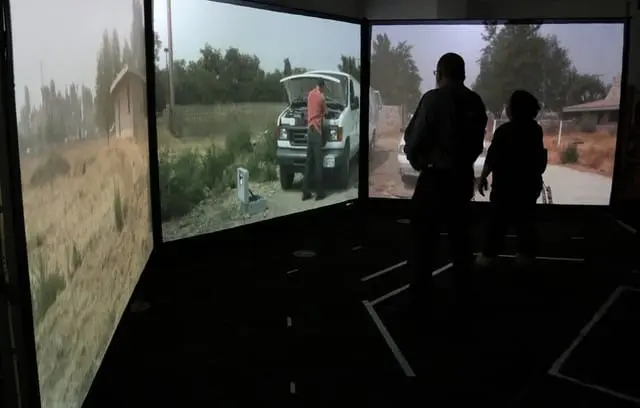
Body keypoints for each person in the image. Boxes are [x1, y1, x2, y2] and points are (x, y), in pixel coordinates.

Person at [403, 53, 488, 314]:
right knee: (461, 242)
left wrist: (418, 161)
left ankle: (420, 303)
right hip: (461, 180)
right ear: (462, 74)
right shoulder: (475, 102)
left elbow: (413, 139)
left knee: (423, 243)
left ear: (440, 74)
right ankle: (464, 300)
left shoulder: (432, 99)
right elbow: (476, 144)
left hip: (434, 181)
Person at [476, 90, 547, 267]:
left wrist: (483, 177)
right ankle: (524, 262)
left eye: (508, 105)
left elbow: (491, 158)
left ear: (514, 109)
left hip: (504, 189)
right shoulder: (535, 130)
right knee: (525, 227)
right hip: (527, 190)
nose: (506, 108)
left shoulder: (504, 131)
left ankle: (487, 259)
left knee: (496, 227)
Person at [302, 79, 328, 201]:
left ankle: (305, 192)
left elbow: (311, 108)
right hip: (317, 131)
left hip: (309, 130)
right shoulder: (322, 97)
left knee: (308, 163)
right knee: (318, 163)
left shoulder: (310, 94)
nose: (323, 90)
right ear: (321, 86)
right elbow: (326, 112)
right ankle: (319, 193)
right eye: (324, 87)